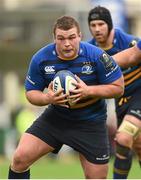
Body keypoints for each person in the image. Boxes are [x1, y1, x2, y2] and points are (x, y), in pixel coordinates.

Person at [8, 15, 124, 179]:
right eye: (61, 38)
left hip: (91, 122)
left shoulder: (97, 56)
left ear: (80, 36)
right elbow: (31, 93)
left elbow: (118, 88)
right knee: (19, 159)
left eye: (71, 37)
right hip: (56, 119)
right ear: (54, 38)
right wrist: (48, 99)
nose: (67, 43)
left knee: (96, 177)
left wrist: (88, 91)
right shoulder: (41, 58)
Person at [88, 6, 141, 179]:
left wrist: (101, 65)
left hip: (139, 96)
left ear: (110, 24)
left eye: (101, 24)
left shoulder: (129, 42)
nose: (97, 29)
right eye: (93, 25)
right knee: (136, 146)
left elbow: (133, 56)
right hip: (121, 103)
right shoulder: (89, 51)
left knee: (124, 137)